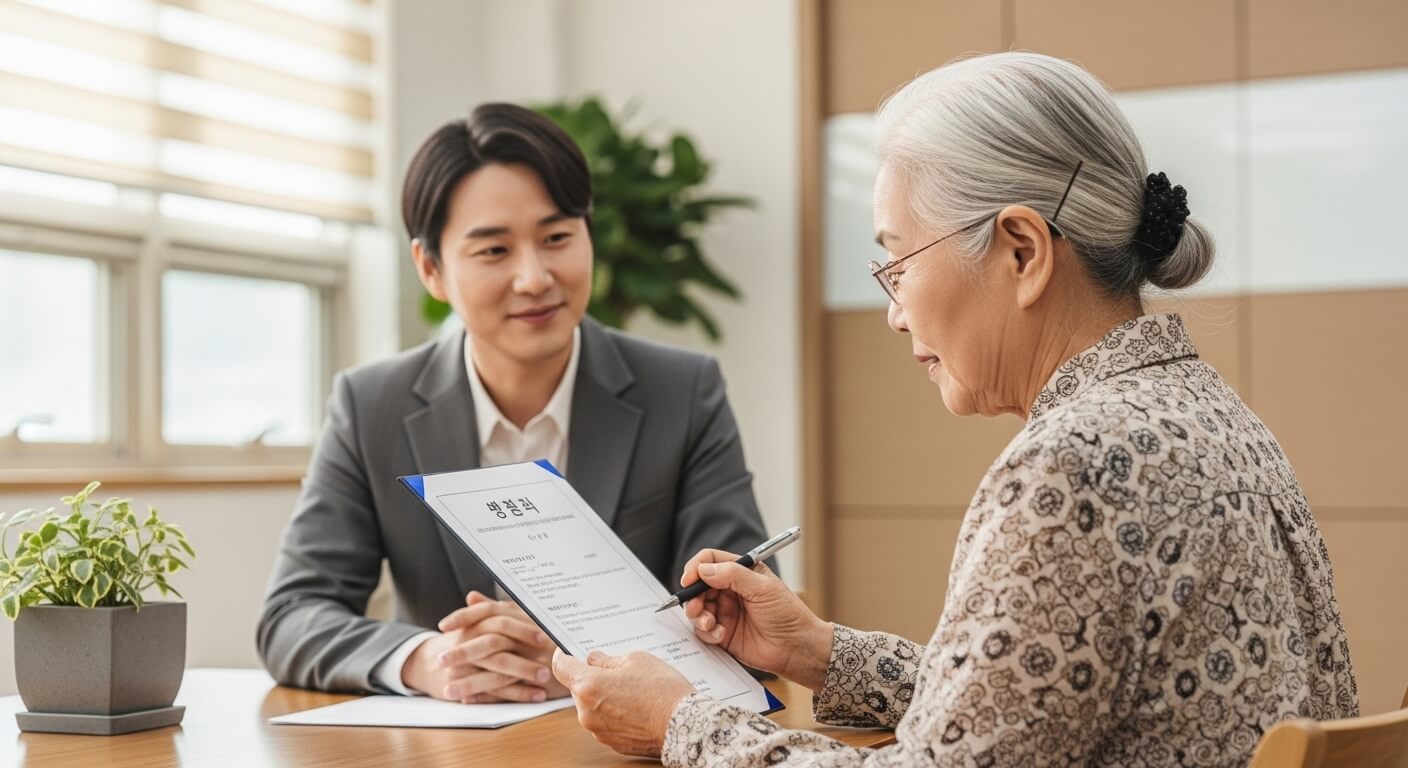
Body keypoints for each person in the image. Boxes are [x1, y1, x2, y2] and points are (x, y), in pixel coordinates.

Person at [550, 52, 1359, 766]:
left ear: (1022, 251)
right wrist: (820, 650)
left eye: (898, 261)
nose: (895, 311)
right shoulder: (1213, 414)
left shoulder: (1071, 467)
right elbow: (1035, 711)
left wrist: (678, 723)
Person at [257, 103, 773, 705]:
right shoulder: (372, 406)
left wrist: (576, 652)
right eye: (494, 251)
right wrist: (431, 659)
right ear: (431, 269)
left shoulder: (682, 391)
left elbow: (747, 611)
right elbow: (292, 614)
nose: (534, 277)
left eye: (556, 238)